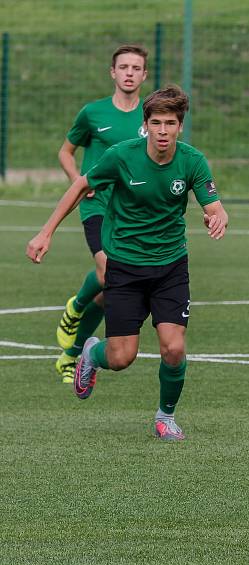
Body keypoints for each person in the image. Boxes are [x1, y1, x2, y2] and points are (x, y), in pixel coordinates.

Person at [27, 85, 229, 441]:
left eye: (170, 123)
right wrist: (46, 232)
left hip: (170, 268)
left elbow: (214, 205)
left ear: (180, 127)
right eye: (156, 123)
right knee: (121, 357)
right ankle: (92, 353)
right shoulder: (122, 156)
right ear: (145, 125)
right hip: (125, 268)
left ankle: (165, 416)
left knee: (174, 347)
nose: (163, 131)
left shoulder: (193, 160)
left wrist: (217, 216)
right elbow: (79, 187)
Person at [54, 44, 150, 384]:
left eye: (135, 68)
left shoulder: (150, 117)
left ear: (144, 74)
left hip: (129, 213)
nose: (128, 72)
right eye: (123, 67)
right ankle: (77, 307)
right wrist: (78, 182)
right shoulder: (92, 113)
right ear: (113, 72)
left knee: (113, 291)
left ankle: (72, 354)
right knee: (108, 272)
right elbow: (66, 152)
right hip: (96, 205)